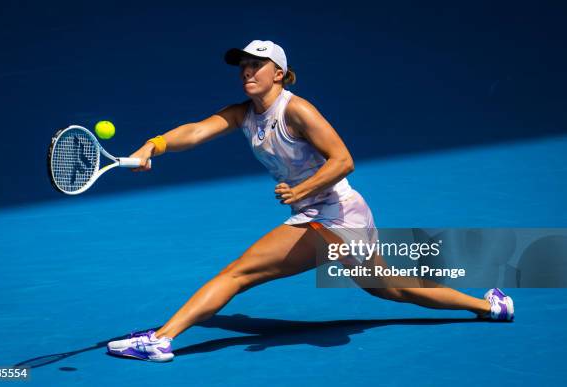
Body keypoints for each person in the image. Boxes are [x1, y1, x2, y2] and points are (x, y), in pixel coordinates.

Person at [107, 40, 514, 362]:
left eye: (256, 65)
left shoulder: (297, 111)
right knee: (391, 288)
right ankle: (490, 305)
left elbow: (344, 160)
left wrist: (301, 192)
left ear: (279, 73)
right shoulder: (242, 113)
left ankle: (160, 340)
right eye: (243, 65)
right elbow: (195, 132)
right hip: (344, 213)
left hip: (333, 213)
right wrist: (152, 145)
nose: (247, 71)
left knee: (238, 273)